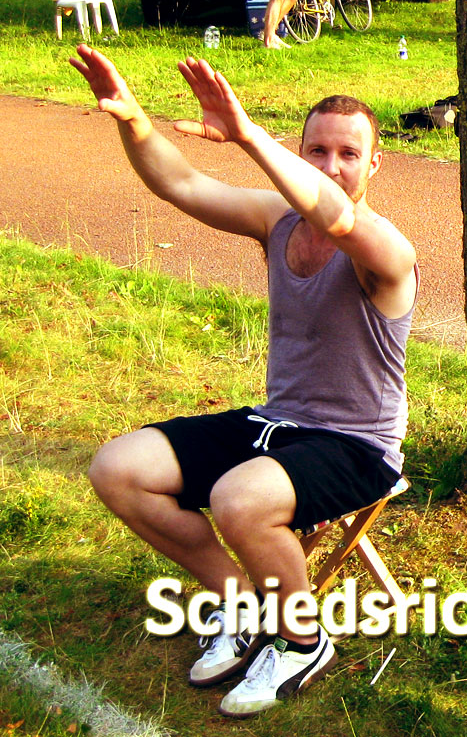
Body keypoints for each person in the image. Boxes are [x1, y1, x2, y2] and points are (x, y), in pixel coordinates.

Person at [72, 46, 417, 718]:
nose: (330, 166)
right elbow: (180, 183)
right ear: (301, 152)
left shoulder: (385, 249)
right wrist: (133, 119)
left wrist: (249, 135)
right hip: (278, 423)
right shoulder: (275, 218)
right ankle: (243, 603)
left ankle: (301, 640)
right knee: (118, 469)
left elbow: (340, 218)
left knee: (238, 499)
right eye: (316, 150)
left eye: (349, 154)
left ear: (375, 164)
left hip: (356, 446)